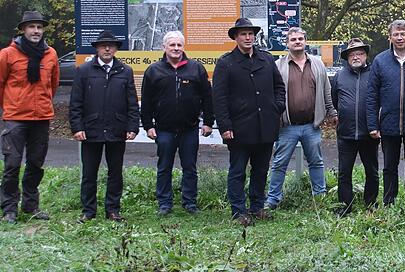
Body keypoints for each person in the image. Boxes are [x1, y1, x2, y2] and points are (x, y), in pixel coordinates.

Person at [213, 18, 285, 225]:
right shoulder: (226, 63)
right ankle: (238, 211)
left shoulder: (266, 59)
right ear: (236, 37)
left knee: (261, 169)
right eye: (243, 34)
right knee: (237, 171)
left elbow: (279, 87)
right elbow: (219, 98)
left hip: (265, 125)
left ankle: (257, 207)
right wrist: (225, 127)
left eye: (251, 34)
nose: (248, 37)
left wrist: (276, 107)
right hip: (239, 128)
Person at [140, 31, 214, 215]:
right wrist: (148, 125)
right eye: (172, 45)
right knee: (164, 167)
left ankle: (190, 203)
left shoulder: (196, 68)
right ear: (164, 47)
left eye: (179, 45)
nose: (176, 48)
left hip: (189, 128)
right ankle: (164, 204)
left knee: (190, 167)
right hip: (164, 129)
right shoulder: (154, 70)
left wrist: (208, 122)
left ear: (183, 47)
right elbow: (146, 101)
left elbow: (207, 98)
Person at [69, 30, 139, 222]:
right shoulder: (84, 71)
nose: (107, 49)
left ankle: (113, 210)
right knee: (89, 173)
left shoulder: (125, 71)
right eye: (103, 45)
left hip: (117, 129)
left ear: (116, 49)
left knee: (115, 172)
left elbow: (132, 102)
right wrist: (77, 127)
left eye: (111, 45)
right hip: (91, 130)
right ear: (97, 48)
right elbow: (76, 102)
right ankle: (88, 211)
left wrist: (133, 126)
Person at [267, 27, 337, 208]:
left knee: (316, 162)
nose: (297, 42)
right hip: (287, 126)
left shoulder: (317, 64)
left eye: (300, 39)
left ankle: (319, 198)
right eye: (293, 40)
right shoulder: (278, 65)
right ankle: (273, 199)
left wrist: (332, 113)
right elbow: (272, 93)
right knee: (279, 163)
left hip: (311, 125)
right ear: (287, 44)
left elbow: (326, 91)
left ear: (305, 41)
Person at [0, 11, 59, 224]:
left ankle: (30, 205)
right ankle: (9, 209)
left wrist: (42, 104)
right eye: (32, 27)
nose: (36, 31)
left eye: (39, 27)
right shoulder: (7, 54)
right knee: (12, 164)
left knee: (36, 163)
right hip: (15, 118)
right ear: (23, 30)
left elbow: (53, 84)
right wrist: (9, 106)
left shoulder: (50, 54)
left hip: (41, 117)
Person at [366, 20, 405, 207]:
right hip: (388, 124)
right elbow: (371, 94)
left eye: (403, 34)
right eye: (395, 34)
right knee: (389, 167)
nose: (399, 38)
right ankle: (389, 202)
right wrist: (373, 124)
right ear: (390, 37)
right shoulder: (380, 60)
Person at [331, 38, 378, 216]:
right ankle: (345, 206)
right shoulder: (339, 76)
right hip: (346, 133)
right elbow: (335, 100)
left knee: (372, 171)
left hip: (370, 133)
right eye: (352, 54)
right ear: (347, 57)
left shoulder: (374, 73)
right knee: (344, 172)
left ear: (366, 55)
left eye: (359, 53)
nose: (356, 57)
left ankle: (371, 204)